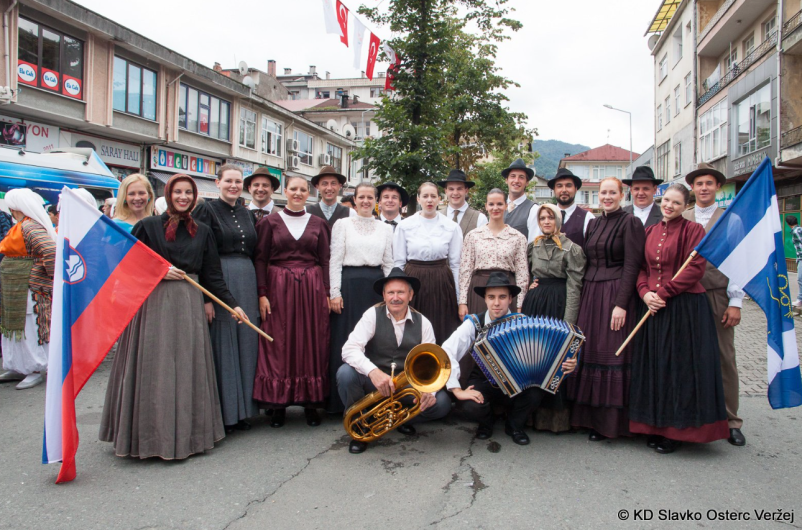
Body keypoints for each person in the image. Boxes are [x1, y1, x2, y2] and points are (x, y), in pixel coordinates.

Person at [100, 175, 249, 460]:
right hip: (153, 305)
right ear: (168, 195)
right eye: (178, 192)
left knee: (185, 367)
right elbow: (129, 267)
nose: (183, 197)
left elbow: (212, 276)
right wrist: (156, 272)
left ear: (194, 197)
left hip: (188, 306)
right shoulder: (147, 226)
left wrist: (233, 306)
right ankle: (148, 437)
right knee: (154, 370)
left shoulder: (203, 231)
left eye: (188, 193)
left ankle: (188, 436)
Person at [630, 183, 729, 453]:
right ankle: (654, 426)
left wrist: (664, 292)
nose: (669, 206)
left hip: (684, 308)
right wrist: (645, 293)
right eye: (666, 201)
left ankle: (676, 431)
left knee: (678, 368)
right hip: (653, 306)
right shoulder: (650, 231)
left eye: (676, 202)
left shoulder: (693, 230)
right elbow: (641, 268)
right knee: (656, 366)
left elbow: (695, 269)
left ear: (686, 206)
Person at [444, 272, 577, 445]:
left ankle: (514, 425)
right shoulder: (474, 323)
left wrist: (568, 363)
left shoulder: (523, 322)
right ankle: (486, 423)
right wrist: (456, 390)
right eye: (491, 297)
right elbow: (447, 351)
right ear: (485, 299)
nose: (497, 303)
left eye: (502, 297)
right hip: (485, 382)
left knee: (536, 392)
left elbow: (549, 352)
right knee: (470, 405)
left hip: (518, 383)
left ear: (511, 299)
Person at [338, 268, 449, 454]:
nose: (395, 297)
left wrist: (430, 392)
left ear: (410, 295)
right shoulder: (372, 315)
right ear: (384, 295)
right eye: (391, 292)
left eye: (401, 292)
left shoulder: (424, 323)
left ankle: (399, 420)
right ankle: (360, 427)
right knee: (345, 374)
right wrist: (373, 372)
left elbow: (435, 366)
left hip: (405, 387)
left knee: (442, 403)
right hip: (374, 383)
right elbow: (349, 349)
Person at [568, 177, 645, 441]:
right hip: (591, 293)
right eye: (603, 193)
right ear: (598, 195)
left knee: (611, 352)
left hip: (615, 294)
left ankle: (611, 424)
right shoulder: (595, 223)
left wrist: (621, 304)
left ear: (622, 195)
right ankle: (589, 420)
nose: (607, 197)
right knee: (590, 350)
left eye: (613, 192)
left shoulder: (631, 222)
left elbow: (633, 265)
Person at [254, 175, 331, 428]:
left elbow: (325, 260)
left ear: (309, 193)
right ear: (285, 191)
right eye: (293, 189)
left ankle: (310, 403)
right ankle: (279, 405)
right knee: (280, 343)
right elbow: (261, 259)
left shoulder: (319, 223)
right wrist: (262, 293)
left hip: (311, 288)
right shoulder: (269, 222)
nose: (298, 193)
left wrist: (327, 292)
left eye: (303, 189)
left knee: (310, 341)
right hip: (278, 288)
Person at [193, 164, 260, 434]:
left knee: (246, 342)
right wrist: (205, 297)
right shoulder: (206, 210)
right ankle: (225, 413)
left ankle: (244, 410)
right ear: (217, 182)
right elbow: (199, 253)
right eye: (228, 181)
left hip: (247, 277)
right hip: (219, 277)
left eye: (238, 181)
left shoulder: (246, 213)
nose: (234, 185)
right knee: (224, 342)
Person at [682, 162, 746, 447]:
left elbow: (740, 262)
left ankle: (731, 420)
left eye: (709, 183)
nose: (704, 188)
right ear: (692, 189)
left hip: (717, 293)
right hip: (685, 295)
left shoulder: (730, 219)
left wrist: (736, 301)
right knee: (687, 355)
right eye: (699, 184)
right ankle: (689, 414)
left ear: (718, 187)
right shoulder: (682, 216)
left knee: (723, 357)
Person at [327, 181, 393, 413]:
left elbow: (388, 263)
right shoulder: (342, 224)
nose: (366, 201)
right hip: (349, 287)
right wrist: (335, 293)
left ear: (376, 201)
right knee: (347, 340)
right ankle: (342, 401)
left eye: (370, 197)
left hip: (375, 288)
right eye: (361, 197)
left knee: (375, 340)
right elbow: (334, 260)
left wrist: (390, 294)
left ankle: (375, 398)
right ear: (354, 199)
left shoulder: (386, 228)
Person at [521, 203, 586, 433]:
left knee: (554, 357)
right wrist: (530, 286)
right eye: (543, 218)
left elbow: (574, 285)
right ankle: (529, 415)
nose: (546, 222)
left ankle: (553, 420)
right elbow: (527, 273)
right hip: (535, 304)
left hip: (557, 304)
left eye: (550, 218)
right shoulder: (533, 246)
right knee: (532, 355)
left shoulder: (572, 249)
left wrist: (569, 323)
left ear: (558, 220)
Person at [393, 182, 462, 344]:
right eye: (425, 196)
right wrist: (399, 291)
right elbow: (399, 262)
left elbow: (456, 264)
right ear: (418, 199)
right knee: (412, 329)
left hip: (441, 283)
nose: (429, 200)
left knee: (441, 328)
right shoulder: (405, 226)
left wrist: (460, 299)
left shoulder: (451, 227)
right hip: (414, 282)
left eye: (433, 196)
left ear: (439, 199)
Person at [0, 189, 55, 389]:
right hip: (15, 287)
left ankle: (34, 368)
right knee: (16, 325)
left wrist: (43, 274)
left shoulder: (30, 227)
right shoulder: (21, 226)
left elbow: (49, 249)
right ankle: (19, 365)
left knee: (30, 327)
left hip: (28, 287)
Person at [458, 188, 527, 319]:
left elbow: (522, 273)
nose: (495, 208)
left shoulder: (518, 237)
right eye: (491, 204)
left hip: (506, 288)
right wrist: (462, 302)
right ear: (486, 206)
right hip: (479, 288)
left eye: (499, 204)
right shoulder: (473, 236)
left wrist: (519, 304)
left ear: (506, 206)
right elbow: (465, 270)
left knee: (505, 334)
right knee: (479, 332)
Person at [548, 168, 594, 246]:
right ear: (554, 190)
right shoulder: (545, 216)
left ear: (576, 189)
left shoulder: (588, 218)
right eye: (559, 186)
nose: (564, 190)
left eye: (568, 186)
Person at [437, 169, 488, 237]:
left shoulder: (480, 218)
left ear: (466, 190)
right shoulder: (436, 217)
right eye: (451, 189)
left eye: (459, 189)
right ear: (446, 191)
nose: (455, 193)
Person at [502, 158, 539, 243]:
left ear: (527, 182)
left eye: (521, 177)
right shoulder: (497, 206)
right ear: (506, 180)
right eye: (513, 176)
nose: (516, 181)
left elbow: (534, 245)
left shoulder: (533, 210)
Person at [787, 216, 802, 309]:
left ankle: (800, 299)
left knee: (800, 279)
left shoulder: (796, 231)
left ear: (788, 224)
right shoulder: (799, 229)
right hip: (800, 258)